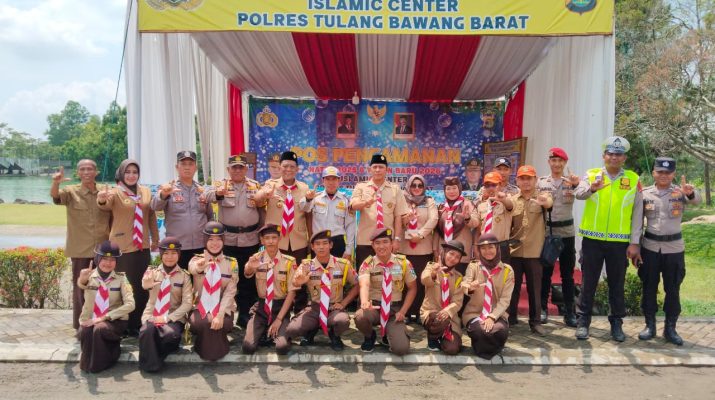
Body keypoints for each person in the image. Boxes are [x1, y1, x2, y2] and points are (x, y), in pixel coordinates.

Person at [573, 136, 643, 341]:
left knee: (617, 284)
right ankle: (583, 322)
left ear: (624, 158)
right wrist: (592, 188)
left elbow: (638, 213)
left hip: (619, 242)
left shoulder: (633, 179)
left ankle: (616, 324)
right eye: (610, 154)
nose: (614, 157)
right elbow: (579, 193)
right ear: (604, 156)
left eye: (618, 154)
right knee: (588, 283)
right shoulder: (591, 174)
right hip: (592, 240)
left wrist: (635, 242)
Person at [631, 157, 700, 345]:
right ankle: (650, 325)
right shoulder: (644, 193)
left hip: (674, 249)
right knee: (649, 287)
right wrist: (635, 245)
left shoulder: (680, 192)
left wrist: (691, 193)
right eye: (660, 172)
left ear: (673, 174)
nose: (664, 175)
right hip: (650, 247)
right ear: (654, 173)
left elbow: (697, 201)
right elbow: (637, 222)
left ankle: (670, 328)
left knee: (673, 288)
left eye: (668, 172)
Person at [97, 159, 159, 336]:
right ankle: (122, 323)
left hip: (142, 246)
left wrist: (155, 238)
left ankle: (139, 323)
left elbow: (151, 216)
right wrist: (101, 199)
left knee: (142, 286)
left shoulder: (145, 191)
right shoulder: (115, 192)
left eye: (135, 172)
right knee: (125, 287)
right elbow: (104, 205)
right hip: (122, 246)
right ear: (121, 174)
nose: (131, 175)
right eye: (128, 172)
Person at [204, 154, 265, 329]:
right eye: (234, 167)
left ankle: (245, 314)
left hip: (250, 239)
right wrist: (218, 193)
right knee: (227, 278)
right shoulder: (220, 184)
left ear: (246, 169)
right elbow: (207, 197)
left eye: (241, 167)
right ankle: (225, 313)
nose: (237, 170)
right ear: (228, 169)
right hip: (228, 240)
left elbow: (261, 209)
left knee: (248, 278)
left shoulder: (255, 186)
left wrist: (262, 232)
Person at [50, 160, 111, 329]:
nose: (86, 172)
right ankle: (81, 325)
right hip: (80, 249)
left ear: (96, 172)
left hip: (103, 249)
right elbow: (55, 197)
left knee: (104, 287)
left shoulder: (106, 191)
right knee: (81, 288)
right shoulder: (71, 191)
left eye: (90, 169)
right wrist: (56, 182)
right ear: (78, 173)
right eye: (82, 169)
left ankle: (102, 323)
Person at [537, 148, 588, 327]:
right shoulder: (541, 182)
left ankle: (569, 312)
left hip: (567, 233)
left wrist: (577, 184)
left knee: (567, 275)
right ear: (549, 162)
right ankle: (542, 309)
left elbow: (584, 195)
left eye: (560, 161)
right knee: (545, 273)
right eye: (554, 160)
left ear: (565, 163)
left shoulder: (571, 182)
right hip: (547, 233)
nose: (557, 164)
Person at [286, 230, 359, 351]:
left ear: (331, 245)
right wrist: (299, 281)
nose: (321, 247)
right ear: (312, 247)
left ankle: (334, 335)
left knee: (343, 321)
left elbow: (357, 284)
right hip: (315, 308)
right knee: (292, 329)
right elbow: (295, 282)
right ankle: (312, 329)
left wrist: (343, 303)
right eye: (317, 244)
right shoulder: (306, 265)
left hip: (334, 308)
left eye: (325, 243)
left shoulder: (343, 264)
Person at [354, 228, 417, 355]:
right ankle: (370, 336)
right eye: (377, 243)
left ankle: (389, 335)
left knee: (401, 349)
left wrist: (403, 311)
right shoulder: (367, 264)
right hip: (374, 308)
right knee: (361, 316)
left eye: (385, 242)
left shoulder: (404, 263)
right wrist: (365, 301)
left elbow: (412, 288)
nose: (381, 246)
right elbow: (364, 284)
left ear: (392, 243)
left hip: (394, 310)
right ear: (372, 245)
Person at [76, 241, 135, 373]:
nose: (108, 263)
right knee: (84, 331)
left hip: (114, 321)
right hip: (91, 319)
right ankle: (87, 364)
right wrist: (82, 279)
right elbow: (82, 284)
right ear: (97, 259)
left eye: (112, 260)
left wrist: (104, 317)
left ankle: (104, 361)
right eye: (104, 259)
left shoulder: (122, 279)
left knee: (99, 329)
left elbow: (131, 304)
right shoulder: (89, 276)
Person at [507, 165, 553, 334]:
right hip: (515, 251)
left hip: (535, 251)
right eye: (522, 178)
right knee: (512, 288)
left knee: (535, 288)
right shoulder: (512, 200)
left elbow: (549, 203)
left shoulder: (543, 196)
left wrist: (544, 202)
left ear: (536, 180)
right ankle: (510, 319)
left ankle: (535, 322)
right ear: (517, 180)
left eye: (529, 178)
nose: (526, 182)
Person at [138, 236, 193, 372]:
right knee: (147, 331)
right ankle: (152, 366)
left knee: (169, 335)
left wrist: (167, 318)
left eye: (174, 253)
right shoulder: (151, 272)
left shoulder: (185, 276)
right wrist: (148, 283)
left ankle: (154, 354)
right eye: (166, 253)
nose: (170, 257)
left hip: (173, 318)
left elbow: (187, 303)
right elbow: (145, 284)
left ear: (179, 255)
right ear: (161, 254)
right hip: (152, 314)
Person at [242, 224, 297, 355]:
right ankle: (264, 332)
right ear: (262, 240)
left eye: (274, 237)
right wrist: (250, 266)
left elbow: (292, 292)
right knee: (248, 347)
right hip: (262, 308)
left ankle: (280, 333)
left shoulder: (289, 261)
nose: (271, 241)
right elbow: (247, 273)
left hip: (280, 307)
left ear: (279, 239)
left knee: (282, 348)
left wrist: (279, 319)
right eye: (267, 238)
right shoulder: (256, 258)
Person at [151, 151, 212, 269]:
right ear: (177, 167)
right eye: (183, 164)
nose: (187, 167)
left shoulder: (202, 190)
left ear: (196, 168)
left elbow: (210, 216)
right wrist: (164, 195)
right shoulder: (169, 188)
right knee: (178, 279)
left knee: (199, 278)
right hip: (176, 248)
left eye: (190, 164)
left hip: (200, 245)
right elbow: (155, 206)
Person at [187, 222, 239, 361]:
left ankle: (205, 348)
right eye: (210, 239)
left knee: (221, 323)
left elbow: (230, 291)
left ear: (223, 241)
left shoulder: (232, 263)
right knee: (202, 323)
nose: (214, 243)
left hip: (223, 307)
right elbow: (193, 269)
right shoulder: (196, 259)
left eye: (218, 239)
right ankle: (216, 348)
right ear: (205, 240)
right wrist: (200, 267)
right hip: (200, 307)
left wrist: (220, 314)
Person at [350, 154, 409, 268]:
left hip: (387, 242)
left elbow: (398, 216)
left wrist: (396, 239)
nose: (377, 170)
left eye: (381, 167)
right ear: (370, 169)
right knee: (365, 274)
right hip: (366, 241)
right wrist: (365, 203)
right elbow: (353, 206)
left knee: (389, 274)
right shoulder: (361, 187)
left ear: (387, 170)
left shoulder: (395, 189)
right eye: (375, 167)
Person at [461, 233, 515, 360]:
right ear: (479, 250)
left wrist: (492, 317)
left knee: (500, 331)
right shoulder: (474, 266)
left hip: (497, 314)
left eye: (491, 247)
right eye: (483, 248)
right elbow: (464, 283)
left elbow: (505, 299)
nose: (487, 251)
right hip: (475, 313)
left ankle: (487, 346)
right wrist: (470, 287)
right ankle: (484, 346)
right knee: (480, 331)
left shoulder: (507, 270)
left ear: (497, 248)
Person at [400, 174, 438, 322]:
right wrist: (406, 220)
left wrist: (420, 235)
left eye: (420, 185)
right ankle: (406, 312)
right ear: (408, 186)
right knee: (405, 282)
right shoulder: (402, 200)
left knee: (422, 282)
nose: (417, 188)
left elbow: (433, 219)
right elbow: (397, 219)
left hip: (423, 248)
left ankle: (420, 313)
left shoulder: (429, 201)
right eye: (413, 185)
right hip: (405, 249)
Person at [298, 166, 355, 260]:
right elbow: (304, 207)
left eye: (334, 179)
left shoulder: (345, 200)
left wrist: (349, 250)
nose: (331, 182)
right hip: (318, 241)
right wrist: (308, 199)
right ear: (323, 181)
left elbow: (350, 226)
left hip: (338, 242)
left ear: (339, 181)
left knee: (338, 269)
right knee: (317, 269)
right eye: (328, 179)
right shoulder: (315, 197)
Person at [420, 240, 466, 355]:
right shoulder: (431, 266)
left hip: (450, 318)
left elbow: (458, 301)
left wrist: (448, 311)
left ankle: (443, 337)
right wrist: (433, 273)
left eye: (457, 257)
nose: (453, 258)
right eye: (451, 253)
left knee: (452, 349)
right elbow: (424, 280)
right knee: (439, 320)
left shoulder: (459, 277)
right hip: (431, 313)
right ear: (444, 252)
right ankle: (433, 337)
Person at [435, 177, 479, 274]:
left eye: (454, 188)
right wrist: (435, 250)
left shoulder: (467, 204)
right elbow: (437, 231)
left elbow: (476, 223)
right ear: (444, 191)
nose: (451, 191)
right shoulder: (442, 207)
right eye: (448, 188)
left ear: (459, 188)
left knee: (459, 280)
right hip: (444, 254)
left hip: (460, 255)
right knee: (442, 280)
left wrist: (467, 218)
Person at [475, 172, 514, 263]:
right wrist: (476, 247)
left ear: (500, 185)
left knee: (502, 272)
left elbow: (510, 206)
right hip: (484, 246)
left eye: (493, 185)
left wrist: (503, 200)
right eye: (487, 185)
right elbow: (479, 229)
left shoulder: (507, 200)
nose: (490, 188)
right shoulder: (482, 205)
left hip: (501, 247)